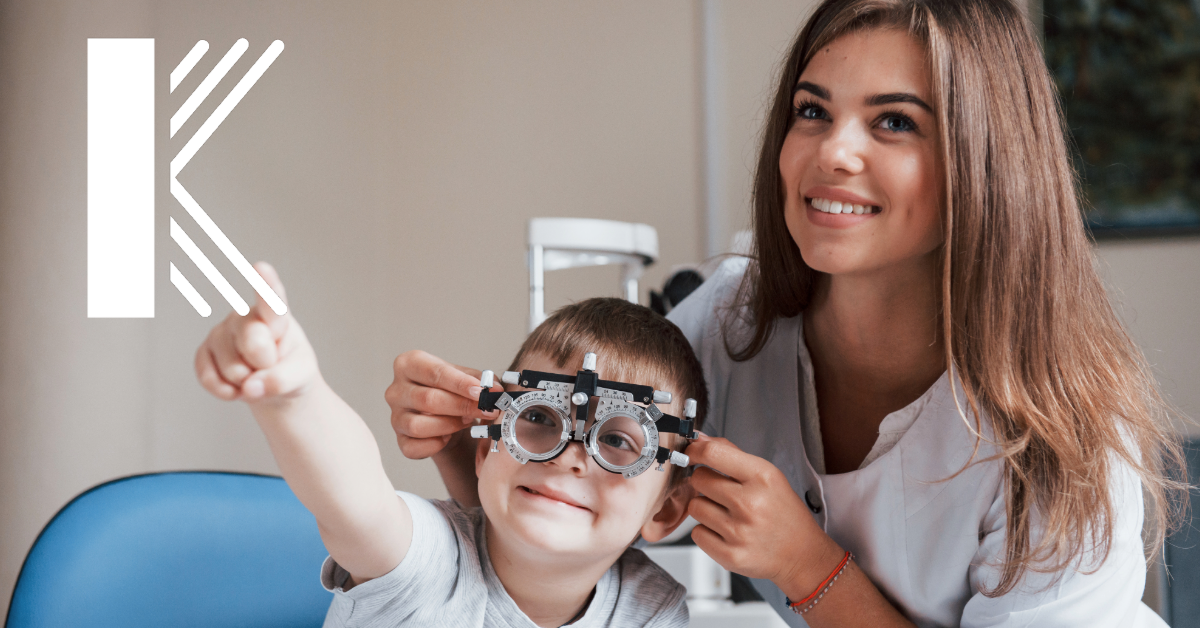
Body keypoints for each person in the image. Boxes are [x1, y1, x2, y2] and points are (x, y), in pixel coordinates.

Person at [385, 1, 1188, 626]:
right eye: (812, 110)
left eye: (894, 122)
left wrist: (810, 569)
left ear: (986, 165)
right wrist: (469, 452)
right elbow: (586, 503)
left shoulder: (1070, 444)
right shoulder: (730, 325)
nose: (832, 151)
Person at [195, 270, 707, 628]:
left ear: (664, 509)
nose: (569, 455)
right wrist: (295, 394)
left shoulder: (649, 610)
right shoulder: (431, 562)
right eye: (538, 417)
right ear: (484, 451)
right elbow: (356, 502)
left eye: (617, 441)